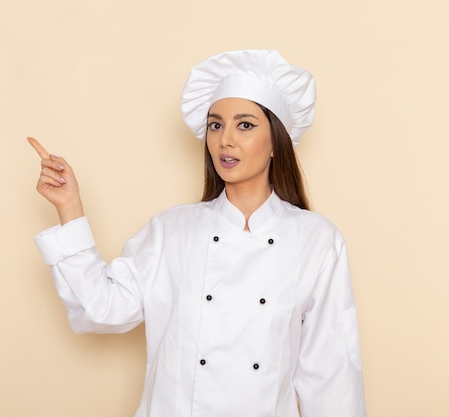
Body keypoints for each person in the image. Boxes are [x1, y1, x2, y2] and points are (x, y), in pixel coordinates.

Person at [28, 50, 366, 417]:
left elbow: (332, 377)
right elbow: (101, 309)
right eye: (216, 125)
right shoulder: (171, 231)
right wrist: (70, 208)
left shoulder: (317, 240)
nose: (225, 141)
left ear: (276, 142)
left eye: (246, 125)